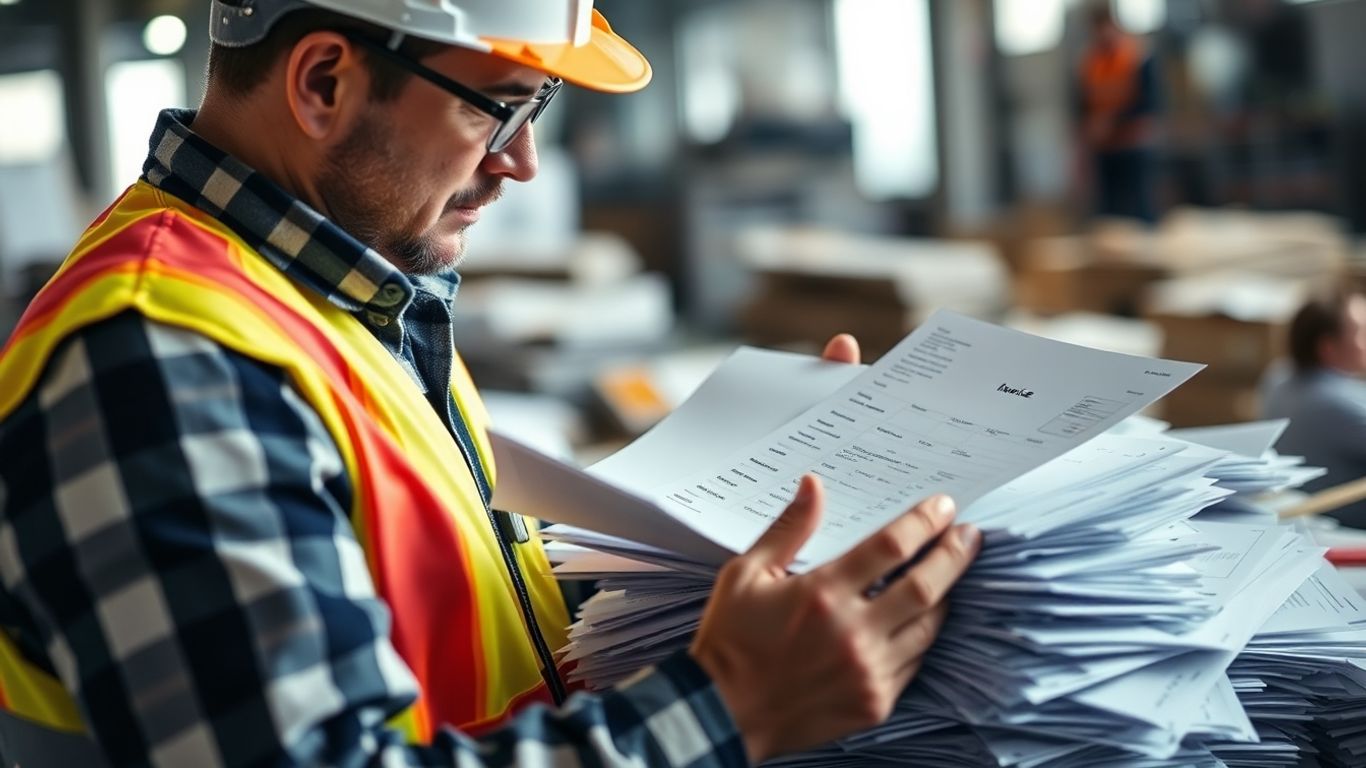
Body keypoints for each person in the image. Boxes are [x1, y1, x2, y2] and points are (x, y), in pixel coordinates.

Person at [0, 1, 980, 766]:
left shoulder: (341, 293)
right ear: (325, 81)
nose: (522, 163)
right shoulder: (155, 355)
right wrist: (737, 701)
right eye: (499, 107)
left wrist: (720, 542)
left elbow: (462, 600)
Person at [1263, 290, 1366, 528]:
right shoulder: (1337, 407)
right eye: (1361, 332)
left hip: (1296, 503)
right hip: (1345, 526)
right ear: (1328, 347)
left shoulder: (1279, 376)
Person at [1077, 2, 1160, 223]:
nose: (1101, 34)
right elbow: (1084, 105)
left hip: (1133, 146)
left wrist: (1112, 122)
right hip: (1105, 148)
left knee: (1138, 207)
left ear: (1115, 25)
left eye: (1105, 26)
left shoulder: (1136, 57)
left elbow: (1150, 104)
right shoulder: (1091, 64)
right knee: (1109, 212)